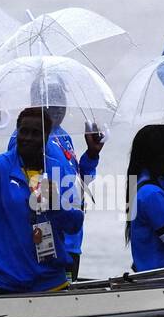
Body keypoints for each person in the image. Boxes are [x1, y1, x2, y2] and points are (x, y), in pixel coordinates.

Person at [0, 108, 83, 294]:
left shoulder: (58, 169)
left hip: (49, 280)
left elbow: (75, 224)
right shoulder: (0, 165)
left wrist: (56, 206)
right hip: (1, 279)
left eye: (35, 133)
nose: (28, 138)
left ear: (46, 137)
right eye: (23, 131)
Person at [8, 106, 102, 280]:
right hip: (49, 243)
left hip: (73, 238)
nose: (58, 109)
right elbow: (17, 181)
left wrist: (91, 154)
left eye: (61, 101)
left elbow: (79, 182)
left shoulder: (63, 136)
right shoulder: (27, 136)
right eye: (53, 103)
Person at [125, 125, 164, 271]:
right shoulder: (152, 195)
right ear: (156, 156)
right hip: (161, 278)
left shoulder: (140, 186)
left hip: (147, 273)